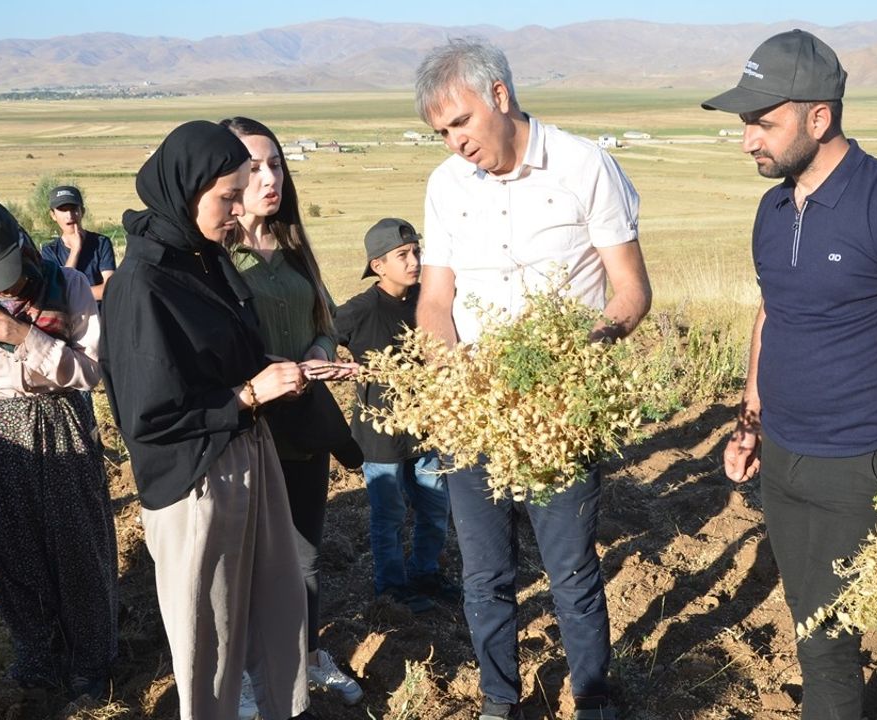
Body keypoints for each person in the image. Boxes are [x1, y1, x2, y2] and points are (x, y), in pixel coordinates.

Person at [705, 29, 877, 720]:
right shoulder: (771, 209)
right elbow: (771, 317)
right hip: (783, 449)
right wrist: (749, 420)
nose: (748, 140)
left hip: (860, 457)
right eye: (745, 124)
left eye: (764, 122)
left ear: (819, 117)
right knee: (806, 608)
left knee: (827, 633)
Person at [414, 38, 652, 720]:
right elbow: (435, 301)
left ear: (499, 96)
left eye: (460, 123)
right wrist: (450, 370)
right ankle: (498, 701)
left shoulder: (584, 166)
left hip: (558, 411)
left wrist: (573, 365)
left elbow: (630, 290)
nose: (454, 143)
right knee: (486, 573)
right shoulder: (444, 186)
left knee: (571, 571)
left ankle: (593, 695)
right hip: (473, 414)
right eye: (441, 132)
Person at [98, 120, 315, 720]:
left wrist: (274, 369)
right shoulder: (143, 285)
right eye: (228, 196)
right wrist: (249, 393)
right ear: (185, 190)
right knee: (210, 639)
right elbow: (150, 415)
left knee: (278, 609)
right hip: (196, 481)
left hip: (247, 454)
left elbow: (219, 356)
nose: (241, 208)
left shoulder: (205, 258)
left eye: (243, 190)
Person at [0, 191, 117, 699]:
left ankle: (91, 662)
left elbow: (91, 372)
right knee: (14, 556)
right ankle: (38, 659)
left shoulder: (70, 285)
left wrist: (26, 336)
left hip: (62, 424)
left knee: (79, 549)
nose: (1, 286)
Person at [219, 115, 364, 708]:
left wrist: (318, 355)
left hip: (304, 427)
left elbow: (325, 324)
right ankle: (252, 676)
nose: (268, 177)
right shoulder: (218, 255)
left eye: (275, 163)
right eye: (253, 167)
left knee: (305, 552)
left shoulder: (295, 245)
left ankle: (304, 658)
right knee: (248, 558)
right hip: (247, 428)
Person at [334, 218, 454, 615]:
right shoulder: (359, 311)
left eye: (416, 251)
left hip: (428, 428)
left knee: (436, 509)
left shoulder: (430, 300)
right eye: (402, 255)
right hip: (379, 436)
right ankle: (391, 588)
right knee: (389, 515)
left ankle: (425, 573)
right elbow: (320, 335)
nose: (414, 260)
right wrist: (333, 362)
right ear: (378, 265)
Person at [40, 185, 117, 305]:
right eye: (63, 210)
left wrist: (71, 294)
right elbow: (58, 289)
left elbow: (110, 289)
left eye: (73, 208)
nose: (69, 215)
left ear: (83, 211)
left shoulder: (101, 243)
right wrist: (75, 250)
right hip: (68, 320)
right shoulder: (49, 251)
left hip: (101, 318)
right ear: (53, 215)